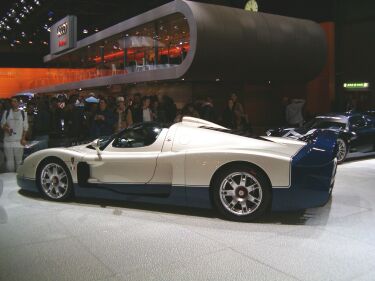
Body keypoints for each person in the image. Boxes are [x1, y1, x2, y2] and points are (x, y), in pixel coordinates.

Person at [1, 97, 28, 172]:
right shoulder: (7, 112)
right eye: (12, 101)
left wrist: (23, 138)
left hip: (18, 141)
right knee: (10, 162)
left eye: (15, 101)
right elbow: (2, 124)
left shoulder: (23, 113)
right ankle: (10, 178)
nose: (13, 103)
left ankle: (18, 177)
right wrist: (7, 129)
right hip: (8, 141)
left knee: (19, 162)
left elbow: (25, 128)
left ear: (19, 103)